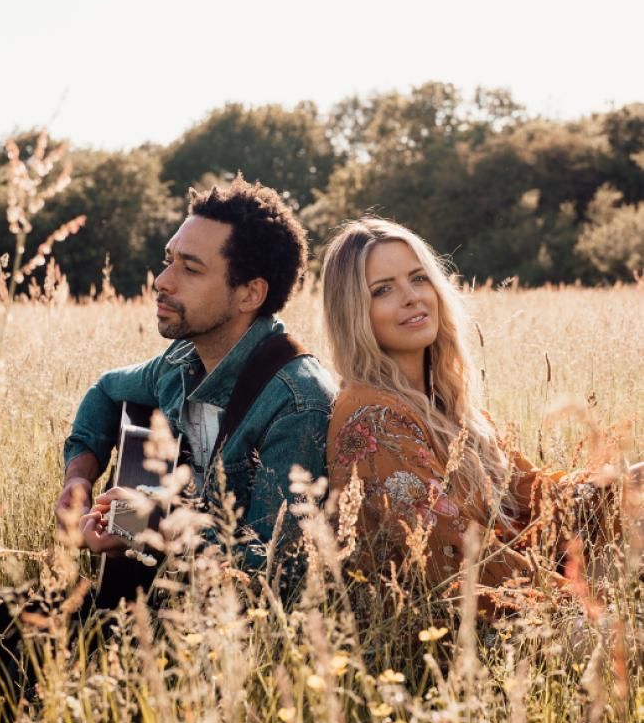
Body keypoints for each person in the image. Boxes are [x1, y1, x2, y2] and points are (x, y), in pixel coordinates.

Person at [322, 217, 640, 616]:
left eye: (418, 278)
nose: (411, 297)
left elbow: (534, 499)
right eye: (382, 290)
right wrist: (591, 609)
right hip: (462, 631)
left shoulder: (448, 403)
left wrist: (625, 486)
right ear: (353, 312)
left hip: (524, 589)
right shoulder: (372, 418)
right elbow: (459, 559)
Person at [56, 175, 336, 579]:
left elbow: (273, 566)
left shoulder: (297, 403)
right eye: (170, 260)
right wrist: (78, 478)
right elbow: (105, 391)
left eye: (190, 268)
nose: (162, 281)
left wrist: (153, 529)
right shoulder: (180, 362)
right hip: (150, 605)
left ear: (249, 294)